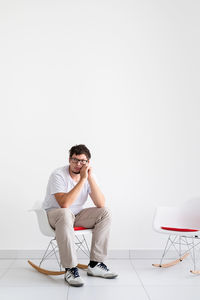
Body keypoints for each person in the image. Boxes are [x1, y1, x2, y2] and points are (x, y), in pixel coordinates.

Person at [42, 144, 118, 287]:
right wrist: (82, 179)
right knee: (65, 213)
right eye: (74, 160)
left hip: (75, 216)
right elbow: (64, 204)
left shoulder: (90, 176)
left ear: (88, 163)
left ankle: (96, 264)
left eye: (82, 161)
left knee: (105, 212)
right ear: (69, 160)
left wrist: (89, 178)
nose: (78, 164)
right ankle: (70, 269)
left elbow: (100, 203)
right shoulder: (58, 175)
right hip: (55, 215)